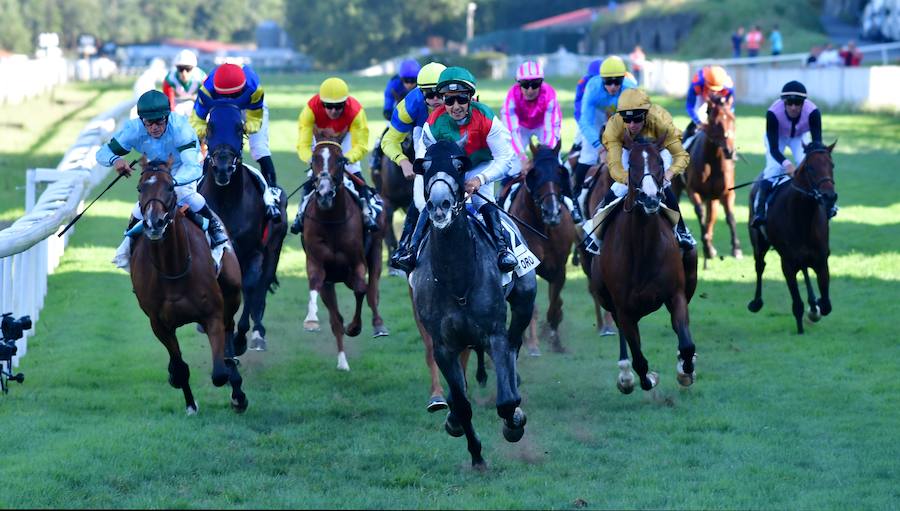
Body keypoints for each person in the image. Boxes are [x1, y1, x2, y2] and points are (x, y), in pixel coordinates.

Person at [390, 66, 518, 274]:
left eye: (461, 99)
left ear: (471, 98)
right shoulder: (433, 123)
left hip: (480, 165)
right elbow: (424, 159)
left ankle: (503, 251)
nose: (455, 106)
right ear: (443, 100)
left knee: (481, 201)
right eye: (449, 101)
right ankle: (409, 250)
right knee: (429, 200)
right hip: (449, 169)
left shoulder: (486, 117)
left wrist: (480, 179)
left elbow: (505, 159)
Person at [99, 90, 228, 270]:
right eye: (149, 123)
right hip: (157, 169)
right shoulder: (133, 129)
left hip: (185, 165)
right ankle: (128, 240)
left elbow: (193, 168)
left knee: (182, 192)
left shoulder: (180, 129)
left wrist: (171, 182)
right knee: (145, 202)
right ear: (142, 120)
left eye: (159, 122)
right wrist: (115, 160)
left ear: (167, 117)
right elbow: (102, 153)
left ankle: (215, 228)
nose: (154, 127)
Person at [599, 88, 695, 250]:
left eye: (637, 119)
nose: (632, 125)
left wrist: (668, 175)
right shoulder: (614, 126)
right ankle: (595, 233)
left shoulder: (660, 120)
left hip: (658, 150)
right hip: (629, 151)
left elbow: (681, 155)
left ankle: (682, 230)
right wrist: (629, 181)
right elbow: (615, 165)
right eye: (627, 120)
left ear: (646, 114)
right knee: (619, 187)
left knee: (663, 186)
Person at [191, 62, 282, 222]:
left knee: (259, 148)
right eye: (226, 94)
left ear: (242, 89)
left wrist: (247, 127)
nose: (230, 98)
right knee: (211, 149)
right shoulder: (206, 90)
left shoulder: (254, 89)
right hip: (218, 108)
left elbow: (255, 119)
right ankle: (192, 193)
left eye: (234, 95)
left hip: (248, 108)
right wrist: (206, 132)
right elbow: (196, 121)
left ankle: (272, 197)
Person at [292, 77, 378, 235]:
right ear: (321, 103)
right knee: (313, 175)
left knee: (353, 170)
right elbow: (303, 145)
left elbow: (361, 145)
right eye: (328, 106)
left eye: (338, 106)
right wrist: (311, 159)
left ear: (346, 103)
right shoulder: (310, 110)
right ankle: (300, 213)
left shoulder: (356, 112)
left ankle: (367, 213)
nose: (333, 111)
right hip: (320, 141)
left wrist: (348, 158)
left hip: (346, 138)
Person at [499, 61, 581, 222]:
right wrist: (523, 158)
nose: (530, 89)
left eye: (535, 84)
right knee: (512, 166)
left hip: (543, 125)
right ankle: (500, 205)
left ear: (541, 83)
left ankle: (573, 206)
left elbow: (551, 130)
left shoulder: (549, 94)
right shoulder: (511, 97)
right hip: (520, 128)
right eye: (525, 84)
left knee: (556, 165)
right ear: (518, 84)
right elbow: (512, 132)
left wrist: (545, 156)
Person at [381, 62, 446, 262]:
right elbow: (388, 141)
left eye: (439, 93)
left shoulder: (460, 98)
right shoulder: (409, 104)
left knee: (479, 200)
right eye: (429, 95)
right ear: (420, 92)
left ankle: (503, 245)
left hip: (455, 142)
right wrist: (403, 161)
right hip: (422, 134)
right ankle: (406, 247)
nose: (435, 99)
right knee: (419, 201)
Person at [751, 80, 832, 227]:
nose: (793, 107)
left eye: (798, 103)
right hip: (778, 138)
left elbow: (817, 144)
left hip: (799, 137)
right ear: (784, 102)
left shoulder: (813, 112)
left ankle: (827, 204)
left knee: (811, 166)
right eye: (789, 103)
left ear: (803, 103)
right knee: (773, 169)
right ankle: (760, 211)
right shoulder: (772, 113)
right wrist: (787, 164)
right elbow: (774, 149)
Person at [573, 56, 637, 204]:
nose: (613, 86)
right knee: (588, 156)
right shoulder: (592, 88)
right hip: (596, 115)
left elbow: (636, 121)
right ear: (601, 80)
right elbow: (585, 121)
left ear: (623, 79)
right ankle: (576, 197)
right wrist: (600, 147)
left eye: (617, 82)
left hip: (621, 117)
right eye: (608, 82)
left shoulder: (630, 89)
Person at [370, 59, 422, 176]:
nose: (409, 84)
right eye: (406, 80)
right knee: (386, 133)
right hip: (397, 115)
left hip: (417, 116)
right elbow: (387, 107)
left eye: (413, 80)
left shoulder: (421, 85)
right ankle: (376, 159)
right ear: (400, 78)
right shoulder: (393, 84)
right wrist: (391, 114)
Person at [683, 65, 735, 148]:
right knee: (699, 119)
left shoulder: (728, 87)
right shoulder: (697, 82)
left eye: (717, 89)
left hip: (720, 98)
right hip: (702, 96)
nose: (714, 92)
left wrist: (727, 123)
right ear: (706, 82)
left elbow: (730, 109)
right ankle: (684, 143)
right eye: (712, 88)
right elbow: (690, 107)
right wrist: (698, 122)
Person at [569, 58, 603, 157]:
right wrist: (582, 122)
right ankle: (570, 162)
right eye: (593, 77)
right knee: (580, 144)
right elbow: (578, 103)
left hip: (603, 118)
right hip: (586, 118)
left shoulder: (608, 84)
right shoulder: (583, 83)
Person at [162, 49, 207, 117]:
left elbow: (206, 101)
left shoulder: (202, 78)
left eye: (188, 68)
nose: (184, 73)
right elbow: (169, 104)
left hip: (194, 102)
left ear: (194, 68)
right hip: (177, 103)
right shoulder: (170, 79)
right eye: (180, 68)